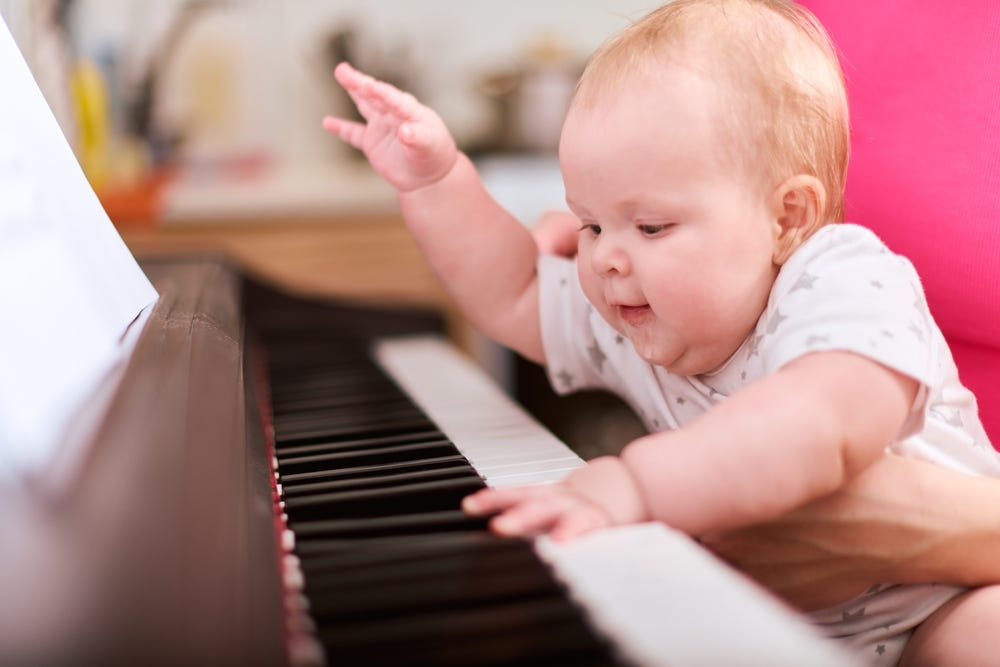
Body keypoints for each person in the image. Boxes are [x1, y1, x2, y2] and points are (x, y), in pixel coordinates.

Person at [322, 0, 1000, 663]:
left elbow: (814, 428)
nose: (608, 257)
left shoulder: (843, 279)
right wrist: (437, 183)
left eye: (650, 227)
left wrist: (635, 486)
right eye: (589, 224)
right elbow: (516, 290)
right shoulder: (643, 313)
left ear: (787, 217)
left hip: (941, 595)